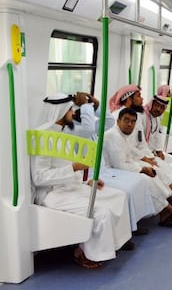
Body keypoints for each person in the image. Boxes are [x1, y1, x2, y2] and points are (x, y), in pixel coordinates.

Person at [31, 93, 132, 269]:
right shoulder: (42, 138)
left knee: (118, 196)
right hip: (51, 193)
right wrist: (74, 169)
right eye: (70, 109)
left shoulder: (62, 134)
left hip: (69, 186)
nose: (72, 113)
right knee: (101, 212)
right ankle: (86, 253)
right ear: (61, 111)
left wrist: (86, 182)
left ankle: (115, 243)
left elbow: (67, 166)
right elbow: (40, 178)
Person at [67, 91, 154, 235]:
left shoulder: (89, 127)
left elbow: (109, 122)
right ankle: (127, 230)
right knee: (125, 192)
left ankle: (132, 225)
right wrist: (85, 105)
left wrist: (96, 106)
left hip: (104, 170)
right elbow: (88, 128)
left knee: (139, 181)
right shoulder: (74, 130)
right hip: (89, 175)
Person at [109, 85, 172, 212]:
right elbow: (127, 145)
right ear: (128, 99)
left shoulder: (134, 115)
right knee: (158, 169)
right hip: (128, 157)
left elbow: (142, 141)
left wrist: (152, 154)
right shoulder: (119, 117)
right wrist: (145, 157)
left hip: (137, 154)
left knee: (164, 164)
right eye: (138, 96)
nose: (142, 98)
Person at [104, 107, 172, 227]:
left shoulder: (122, 134)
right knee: (147, 180)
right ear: (118, 121)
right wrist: (142, 168)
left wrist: (145, 161)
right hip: (110, 171)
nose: (130, 124)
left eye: (133, 122)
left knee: (155, 169)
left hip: (127, 164)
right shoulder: (114, 136)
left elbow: (131, 150)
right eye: (126, 120)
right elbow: (119, 165)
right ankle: (169, 210)